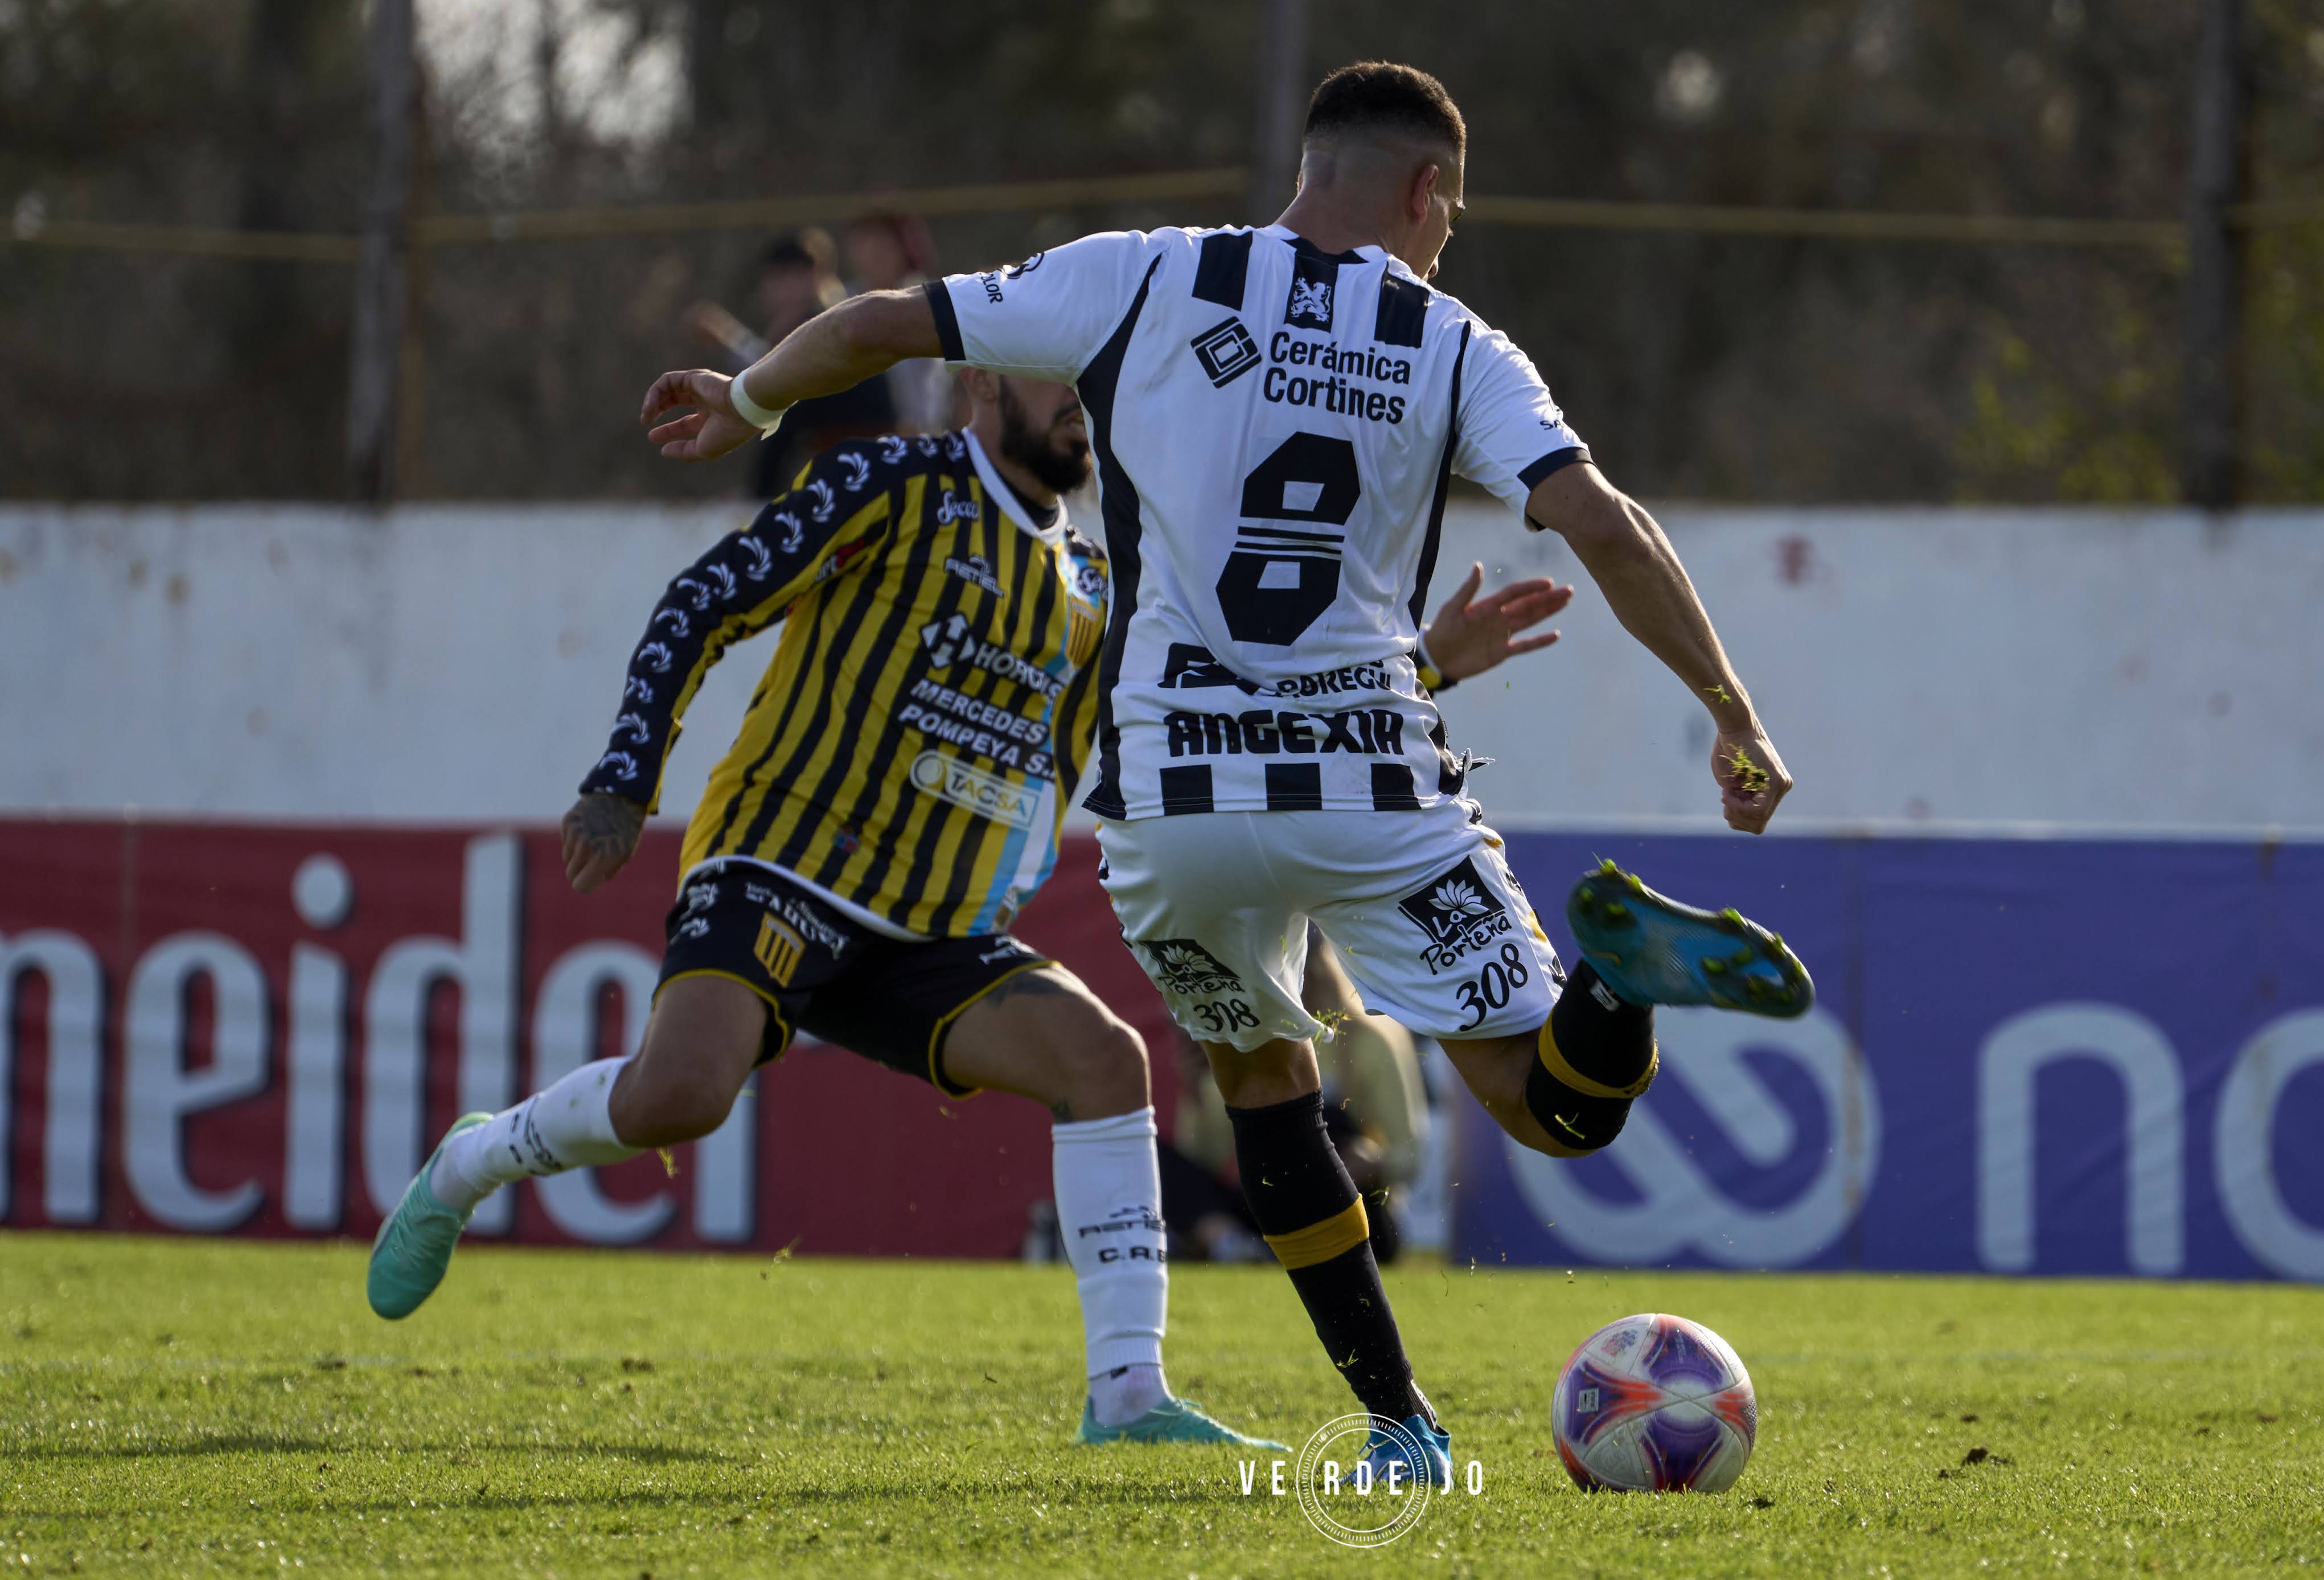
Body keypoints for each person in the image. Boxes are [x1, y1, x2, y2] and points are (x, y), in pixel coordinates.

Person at [631, 60, 1809, 1487]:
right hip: (1371, 787)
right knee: (1557, 1105)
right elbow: (1603, 525)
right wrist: (1730, 711)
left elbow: (882, 320)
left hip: (1173, 805)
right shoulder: (1452, 344)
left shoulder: (1139, 274)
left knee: (1262, 1083)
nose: (1445, 238)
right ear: (1425, 190)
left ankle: (1401, 1427)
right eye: (1450, 213)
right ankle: (1614, 986)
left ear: (1310, 168)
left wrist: (751, 397)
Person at [365, 353, 1565, 1450]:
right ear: (980, 384)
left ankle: (1128, 1394)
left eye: (1093, 392)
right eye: (1058, 385)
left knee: (1104, 1061)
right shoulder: (888, 484)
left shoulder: (1095, 582)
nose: (1082, 411)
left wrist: (1422, 667)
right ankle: (471, 1163)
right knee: (678, 1094)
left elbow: (1218, 728)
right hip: (784, 866)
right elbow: (704, 600)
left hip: (937, 930)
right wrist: (626, 775)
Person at [728, 231, 900, 498]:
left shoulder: (826, 331)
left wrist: (757, 496)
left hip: (859, 468)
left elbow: (786, 422)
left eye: (790, 277)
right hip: (844, 466)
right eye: (773, 279)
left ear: (815, 277)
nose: (778, 290)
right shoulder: (812, 329)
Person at [845, 210, 958, 434]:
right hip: (856, 431)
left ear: (903, 249)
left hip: (920, 433)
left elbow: (931, 382)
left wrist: (917, 426)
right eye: (865, 244)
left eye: (883, 246)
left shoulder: (927, 300)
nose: (873, 255)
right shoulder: (842, 301)